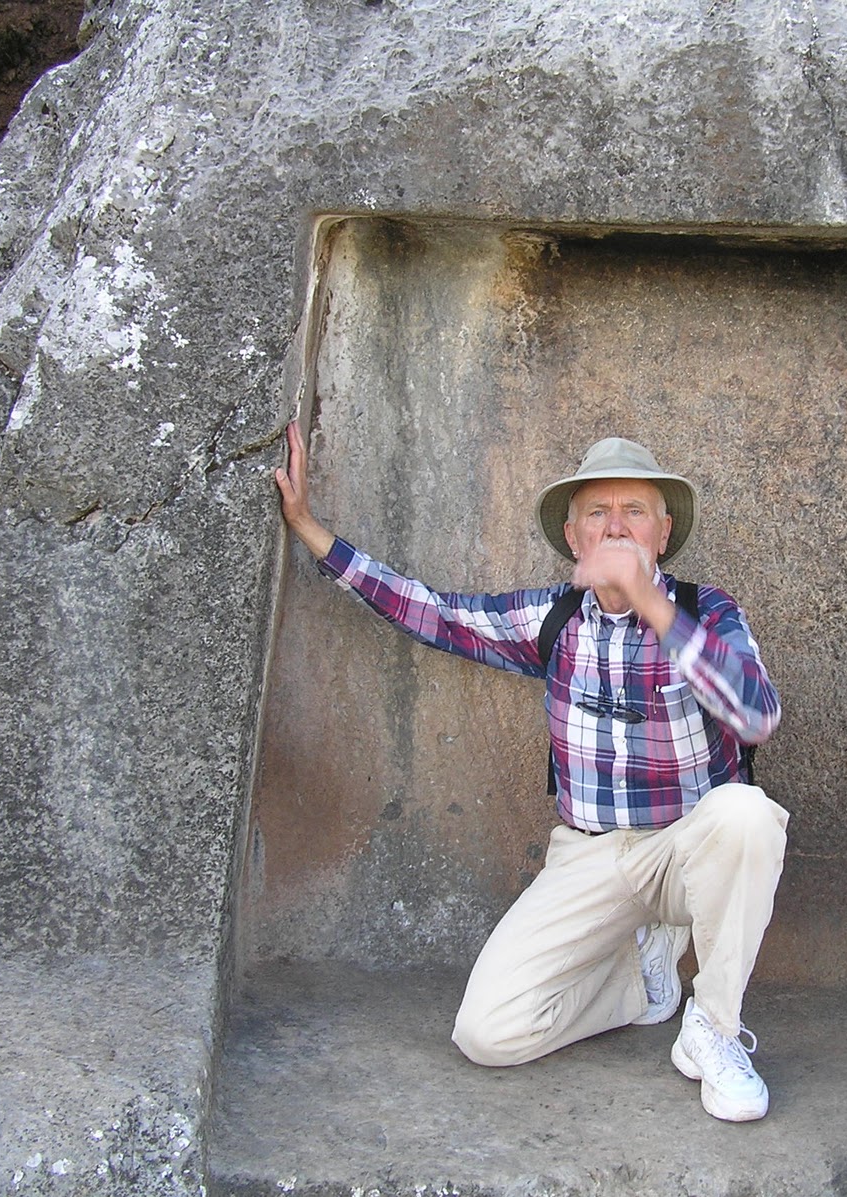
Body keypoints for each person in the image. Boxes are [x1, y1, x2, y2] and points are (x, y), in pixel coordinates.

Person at [274, 423, 788, 1122]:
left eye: (634, 511)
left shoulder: (705, 612)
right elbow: (433, 614)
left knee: (748, 814)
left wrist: (651, 602)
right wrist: (310, 530)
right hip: (590, 857)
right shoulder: (551, 619)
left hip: (687, 850)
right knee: (489, 1033)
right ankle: (641, 979)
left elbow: (757, 713)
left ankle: (715, 1029)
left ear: (663, 532)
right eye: (597, 513)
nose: (616, 527)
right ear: (574, 538)